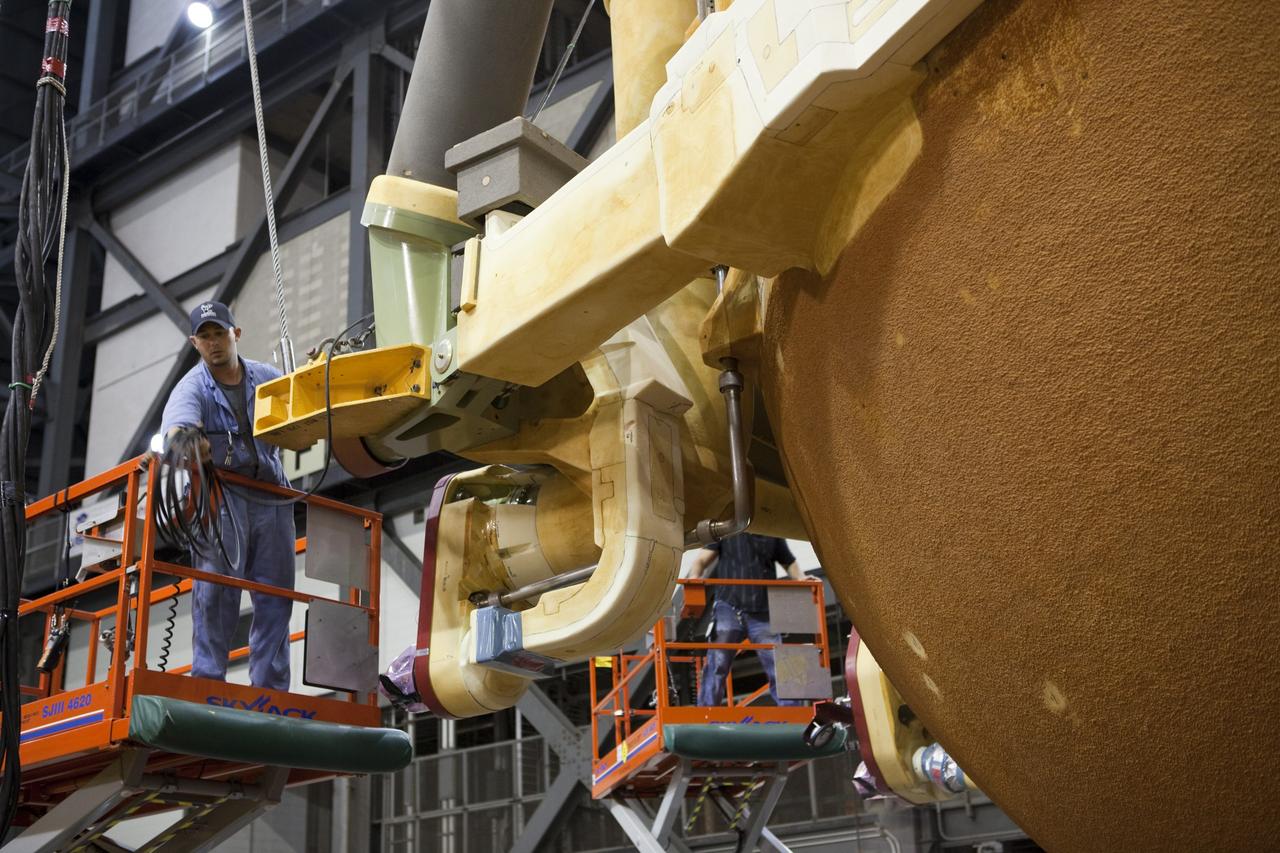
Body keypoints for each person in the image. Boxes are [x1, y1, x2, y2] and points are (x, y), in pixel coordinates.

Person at [159, 300, 295, 691]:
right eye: (205, 337)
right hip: (224, 498)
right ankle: (208, 685)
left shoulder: (267, 378)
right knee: (216, 593)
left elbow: (302, 409)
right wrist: (186, 442)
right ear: (194, 343)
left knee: (275, 595)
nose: (214, 343)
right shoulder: (193, 388)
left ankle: (270, 692)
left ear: (236, 334)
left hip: (272, 497)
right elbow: (175, 433)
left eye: (220, 333)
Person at [687, 532, 804, 707]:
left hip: (762, 610)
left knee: (778, 663)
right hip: (729, 607)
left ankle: (792, 712)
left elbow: (789, 561)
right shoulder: (728, 530)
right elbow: (701, 560)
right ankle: (706, 712)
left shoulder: (771, 532)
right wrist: (694, 578)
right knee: (718, 661)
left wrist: (801, 579)